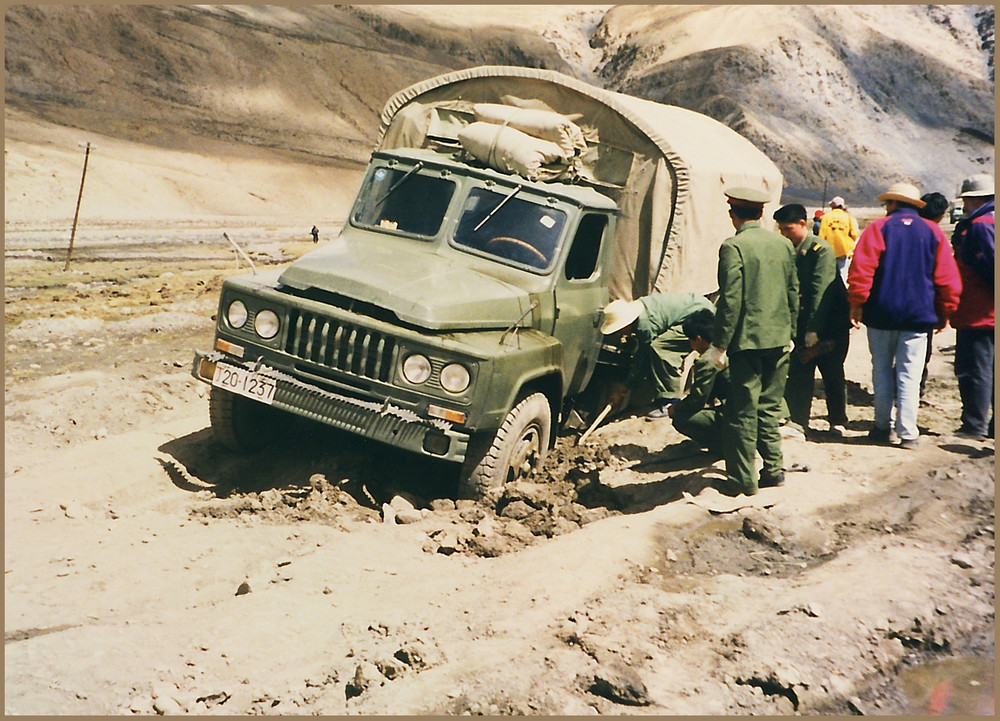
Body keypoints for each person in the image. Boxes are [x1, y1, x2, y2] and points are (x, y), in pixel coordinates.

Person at [846, 182, 962, 448]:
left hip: (880, 313)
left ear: (893, 203)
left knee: (882, 370)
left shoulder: (879, 228)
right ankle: (908, 432)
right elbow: (947, 278)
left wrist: (857, 302)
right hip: (918, 317)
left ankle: (880, 426)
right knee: (910, 374)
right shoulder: (932, 231)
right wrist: (945, 311)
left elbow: (861, 270)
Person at [707, 187, 798, 496]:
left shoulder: (733, 247)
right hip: (779, 339)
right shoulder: (783, 244)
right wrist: (792, 332)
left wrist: (719, 345)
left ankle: (743, 481)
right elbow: (792, 292)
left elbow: (730, 301)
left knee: (742, 412)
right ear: (760, 213)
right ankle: (774, 470)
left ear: (733, 214)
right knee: (770, 408)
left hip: (747, 343)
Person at [773, 203, 850, 436]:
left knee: (832, 372)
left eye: (789, 229)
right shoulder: (792, 249)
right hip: (806, 323)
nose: (785, 234)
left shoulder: (820, 250)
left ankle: (837, 421)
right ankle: (798, 421)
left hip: (829, 324)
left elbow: (820, 291)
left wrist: (814, 329)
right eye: (782, 230)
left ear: (802, 224)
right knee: (800, 370)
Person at [601, 292, 715, 417]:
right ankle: (662, 398)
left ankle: (670, 401)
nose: (620, 333)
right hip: (698, 306)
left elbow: (641, 358)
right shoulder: (640, 307)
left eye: (620, 329)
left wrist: (624, 389)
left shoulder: (645, 325)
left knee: (660, 349)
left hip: (698, 315)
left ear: (627, 323)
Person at [950, 174, 995, 440]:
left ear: (973, 199)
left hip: (980, 309)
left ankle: (974, 425)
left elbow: (989, 264)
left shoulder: (980, 224)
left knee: (975, 368)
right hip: (986, 309)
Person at [666, 308, 728, 452]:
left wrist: (675, 408)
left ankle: (722, 446)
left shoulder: (708, 359)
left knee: (680, 418)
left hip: (736, 415)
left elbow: (697, 400)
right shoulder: (727, 344)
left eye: (690, 340)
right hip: (753, 408)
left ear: (698, 339)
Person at [917, 192, 951, 397]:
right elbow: (944, 277)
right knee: (921, 351)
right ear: (941, 215)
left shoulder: (899, 229)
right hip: (925, 304)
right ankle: (916, 389)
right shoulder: (936, 236)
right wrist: (944, 310)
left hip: (893, 302)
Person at [817, 196, 860, 283]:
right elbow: (854, 234)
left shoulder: (826, 217)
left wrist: (818, 248)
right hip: (844, 250)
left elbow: (821, 235)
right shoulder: (848, 217)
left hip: (829, 251)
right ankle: (843, 294)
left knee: (828, 275)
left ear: (832, 206)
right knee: (843, 275)